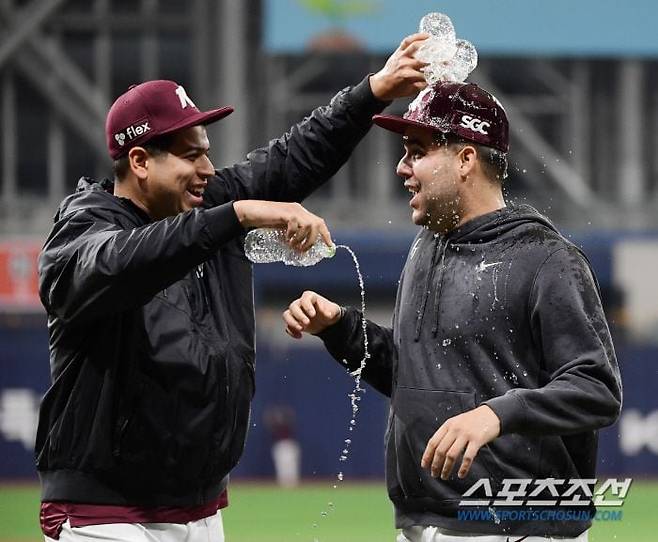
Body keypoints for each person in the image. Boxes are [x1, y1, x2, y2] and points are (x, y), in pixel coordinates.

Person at [35, 33, 429, 542]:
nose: (206, 169)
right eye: (189, 156)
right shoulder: (86, 227)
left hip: (201, 508)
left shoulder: (205, 205)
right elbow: (110, 264)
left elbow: (293, 157)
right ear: (138, 162)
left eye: (206, 154)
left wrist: (373, 91)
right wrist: (237, 215)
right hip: (105, 514)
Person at [283, 82, 623, 541]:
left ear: (466, 159)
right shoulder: (424, 250)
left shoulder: (547, 259)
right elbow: (416, 380)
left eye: (417, 151)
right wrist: (341, 329)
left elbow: (597, 388)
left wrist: (496, 414)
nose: (403, 167)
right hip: (424, 521)